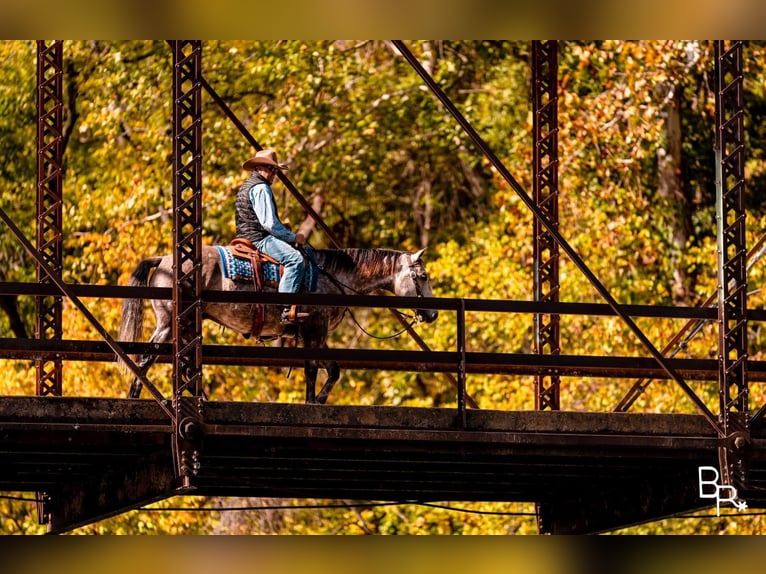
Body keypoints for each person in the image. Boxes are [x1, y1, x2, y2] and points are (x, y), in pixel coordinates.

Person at [235, 149, 306, 327]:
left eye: (275, 170)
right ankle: (285, 309)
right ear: (259, 167)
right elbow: (269, 224)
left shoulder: (247, 185)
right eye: (271, 169)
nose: (274, 174)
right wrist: (292, 237)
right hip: (259, 238)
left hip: (245, 234)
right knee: (295, 260)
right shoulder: (261, 188)